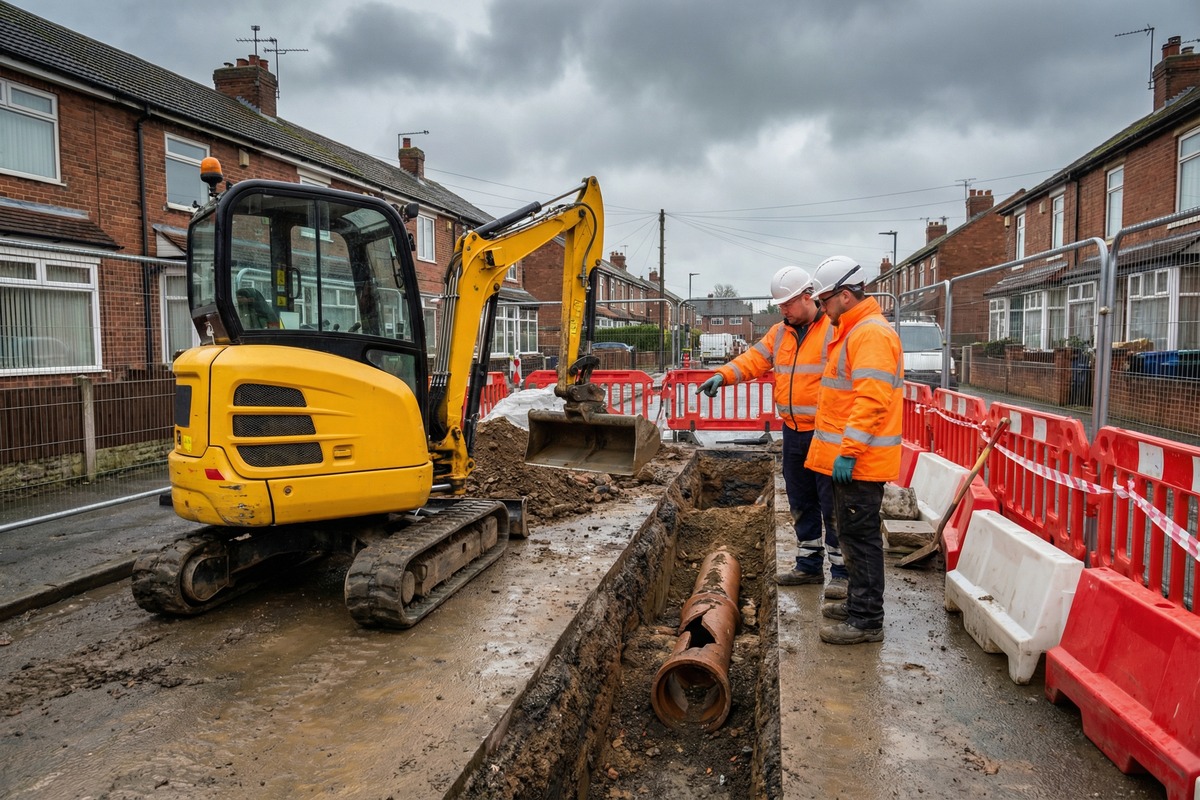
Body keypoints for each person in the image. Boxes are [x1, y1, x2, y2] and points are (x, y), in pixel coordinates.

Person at [696, 266, 849, 600]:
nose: (783, 310)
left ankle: (841, 573)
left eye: (787, 304)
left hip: (826, 432)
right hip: (793, 431)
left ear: (808, 297)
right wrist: (723, 375)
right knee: (800, 499)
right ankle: (809, 564)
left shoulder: (834, 329)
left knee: (833, 504)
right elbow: (753, 359)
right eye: (779, 305)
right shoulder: (780, 332)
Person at [805, 255, 904, 645]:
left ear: (845, 296)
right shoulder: (853, 331)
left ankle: (866, 620)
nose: (822, 307)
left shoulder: (870, 334)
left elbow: (871, 401)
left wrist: (848, 451)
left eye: (824, 300)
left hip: (861, 462)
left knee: (861, 539)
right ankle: (856, 605)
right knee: (849, 534)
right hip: (852, 460)